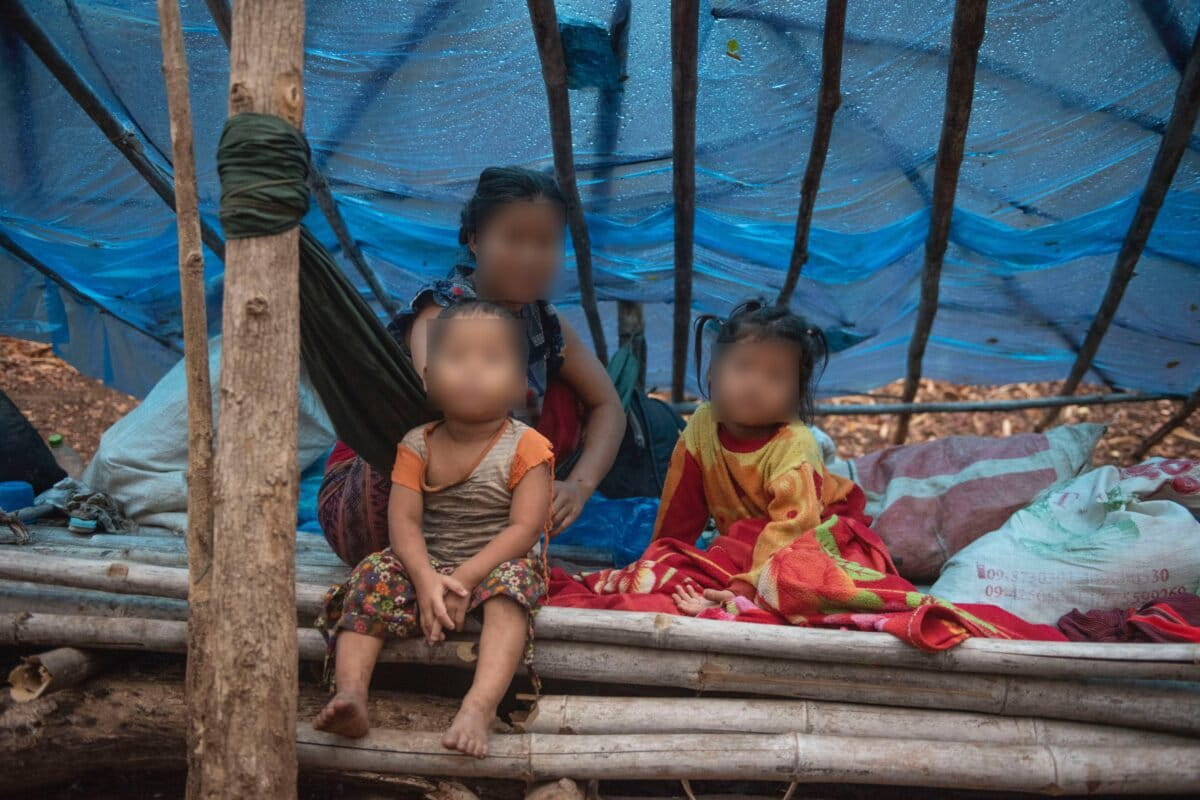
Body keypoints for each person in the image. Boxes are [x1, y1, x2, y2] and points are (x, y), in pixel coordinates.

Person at [549, 301, 1064, 649]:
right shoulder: (702, 426)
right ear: (714, 371)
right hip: (743, 546)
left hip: (816, 534)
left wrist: (745, 590)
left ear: (797, 394)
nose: (754, 386)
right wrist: (661, 564)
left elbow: (790, 529)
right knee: (674, 562)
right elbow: (680, 511)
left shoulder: (792, 445)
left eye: (774, 377)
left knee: (794, 571)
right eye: (742, 368)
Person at [319, 167, 624, 567]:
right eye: (514, 240)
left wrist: (579, 488)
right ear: (476, 241)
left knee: (570, 398)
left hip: (485, 504)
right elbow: (449, 406)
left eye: (546, 242)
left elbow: (609, 407)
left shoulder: (545, 323)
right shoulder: (442, 312)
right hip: (387, 498)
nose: (531, 257)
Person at [315, 302, 554, 754]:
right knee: (371, 573)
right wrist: (425, 579)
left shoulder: (528, 446)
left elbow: (524, 530)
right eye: (456, 357)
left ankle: (479, 706)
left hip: (495, 561)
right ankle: (350, 693)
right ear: (427, 375)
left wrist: (462, 581)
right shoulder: (416, 444)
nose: (471, 371)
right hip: (429, 560)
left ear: (522, 382)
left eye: (491, 359)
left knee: (512, 591)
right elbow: (403, 523)